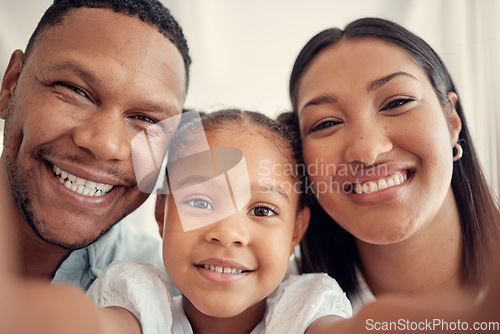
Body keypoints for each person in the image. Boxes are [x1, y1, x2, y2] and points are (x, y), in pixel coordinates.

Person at [0, 109, 353, 334]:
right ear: (161, 214)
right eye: (200, 202)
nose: (228, 233)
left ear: (296, 230)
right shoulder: (138, 300)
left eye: (262, 211)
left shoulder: (305, 309)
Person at [283, 17, 500, 312]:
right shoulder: (275, 309)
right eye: (327, 123)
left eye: (396, 102)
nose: (367, 150)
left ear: (451, 121)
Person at [0, 0, 190, 289]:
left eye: (146, 119)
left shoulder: (179, 295)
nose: (106, 144)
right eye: (75, 91)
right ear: (10, 86)